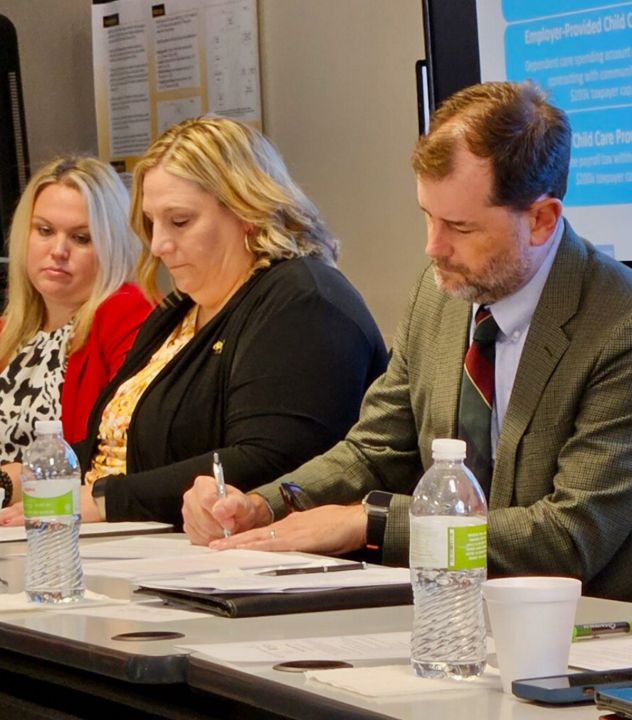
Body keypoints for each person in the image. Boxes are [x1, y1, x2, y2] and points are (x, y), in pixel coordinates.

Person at [180, 82, 632, 603]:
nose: (433, 248)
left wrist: (374, 523)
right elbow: (376, 450)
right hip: (453, 607)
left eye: (459, 227)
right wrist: (264, 505)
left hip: (601, 626)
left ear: (541, 221)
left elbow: (568, 538)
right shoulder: (440, 298)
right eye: (427, 216)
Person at [0, 117, 388, 527]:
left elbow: (274, 460)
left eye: (180, 221)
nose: (160, 244)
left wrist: (105, 501)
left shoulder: (303, 299)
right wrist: (23, 479)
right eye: (152, 223)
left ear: (247, 211)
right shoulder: (182, 307)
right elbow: (117, 449)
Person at [0, 156, 151, 505]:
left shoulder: (126, 313)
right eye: (45, 230)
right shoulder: (10, 329)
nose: (58, 251)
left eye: (81, 238)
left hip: (71, 519)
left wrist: (13, 483)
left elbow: (122, 448)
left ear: (110, 244)